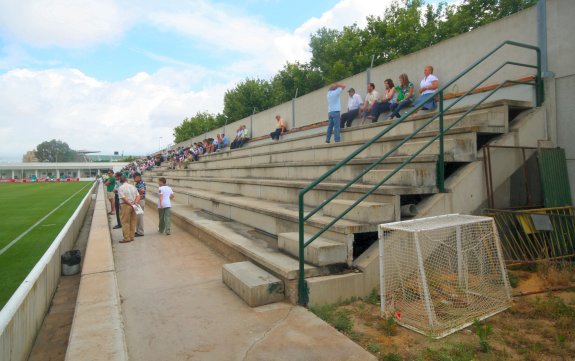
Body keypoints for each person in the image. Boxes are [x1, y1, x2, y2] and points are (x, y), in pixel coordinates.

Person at [118, 175, 141, 243]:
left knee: (125, 222)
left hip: (126, 205)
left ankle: (127, 237)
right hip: (134, 204)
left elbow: (123, 198)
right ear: (126, 180)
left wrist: (130, 203)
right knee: (133, 221)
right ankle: (131, 236)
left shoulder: (120, 187)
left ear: (120, 181)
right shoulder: (133, 186)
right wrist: (135, 203)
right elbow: (138, 195)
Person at [133, 172, 146, 237]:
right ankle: (138, 231)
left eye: (134, 177)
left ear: (138, 177)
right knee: (137, 217)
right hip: (139, 200)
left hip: (140, 201)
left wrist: (138, 195)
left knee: (139, 217)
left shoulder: (141, 183)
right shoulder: (138, 183)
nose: (133, 179)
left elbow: (142, 190)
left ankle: (140, 232)